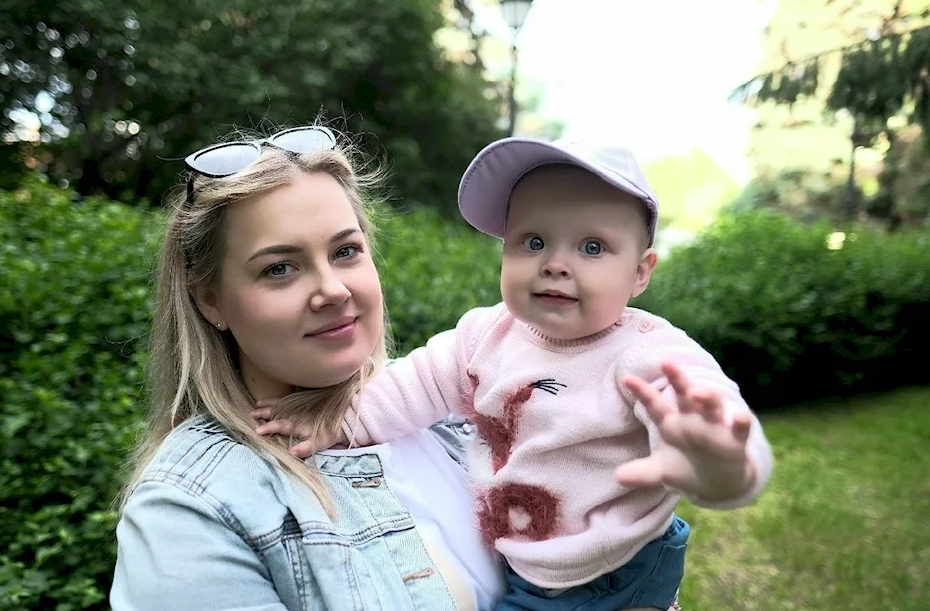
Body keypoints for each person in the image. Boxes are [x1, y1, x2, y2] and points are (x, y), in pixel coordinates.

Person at [255, 136, 774, 611]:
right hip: (533, 561)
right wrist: (336, 423)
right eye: (532, 241)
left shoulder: (647, 353)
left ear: (640, 272)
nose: (555, 263)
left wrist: (720, 465)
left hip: (612, 568)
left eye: (592, 247)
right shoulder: (485, 337)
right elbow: (411, 387)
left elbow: (710, 408)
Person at [109, 125, 507, 610]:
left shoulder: (457, 409)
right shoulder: (192, 510)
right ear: (209, 299)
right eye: (280, 268)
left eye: (345, 252)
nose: (334, 290)